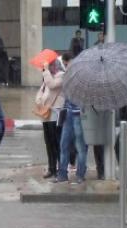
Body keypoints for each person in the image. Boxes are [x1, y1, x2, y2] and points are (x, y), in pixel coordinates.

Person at [56, 53, 87, 184]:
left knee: (80, 147)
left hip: (78, 115)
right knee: (64, 145)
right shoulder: (68, 76)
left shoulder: (82, 77)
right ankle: (62, 174)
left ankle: (80, 174)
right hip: (69, 113)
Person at [37, 58, 65, 179]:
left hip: (56, 113)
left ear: (57, 66)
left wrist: (46, 70)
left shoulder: (61, 76)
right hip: (46, 113)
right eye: (50, 65)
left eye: (52, 65)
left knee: (56, 142)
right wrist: (38, 101)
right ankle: (51, 168)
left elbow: (52, 85)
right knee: (48, 142)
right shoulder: (47, 76)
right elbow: (41, 91)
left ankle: (60, 169)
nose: (51, 67)